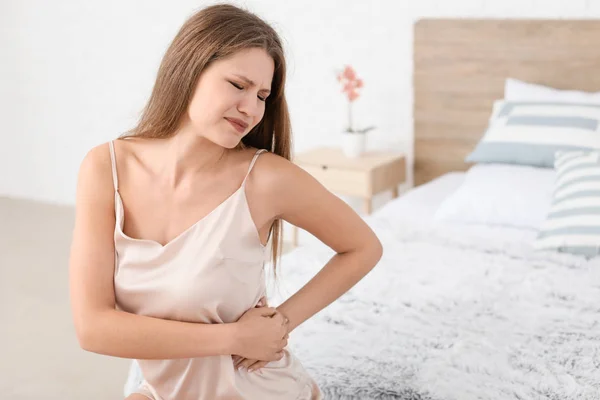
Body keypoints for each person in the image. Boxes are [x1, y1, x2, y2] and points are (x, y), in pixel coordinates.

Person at [68, 3, 382, 399]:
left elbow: (363, 246)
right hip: (167, 389)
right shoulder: (106, 168)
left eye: (263, 95)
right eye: (238, 85)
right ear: (189, 68)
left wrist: (280, 324)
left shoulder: (266, 179)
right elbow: (93, 328)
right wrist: (235, 337)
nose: (251, 109)